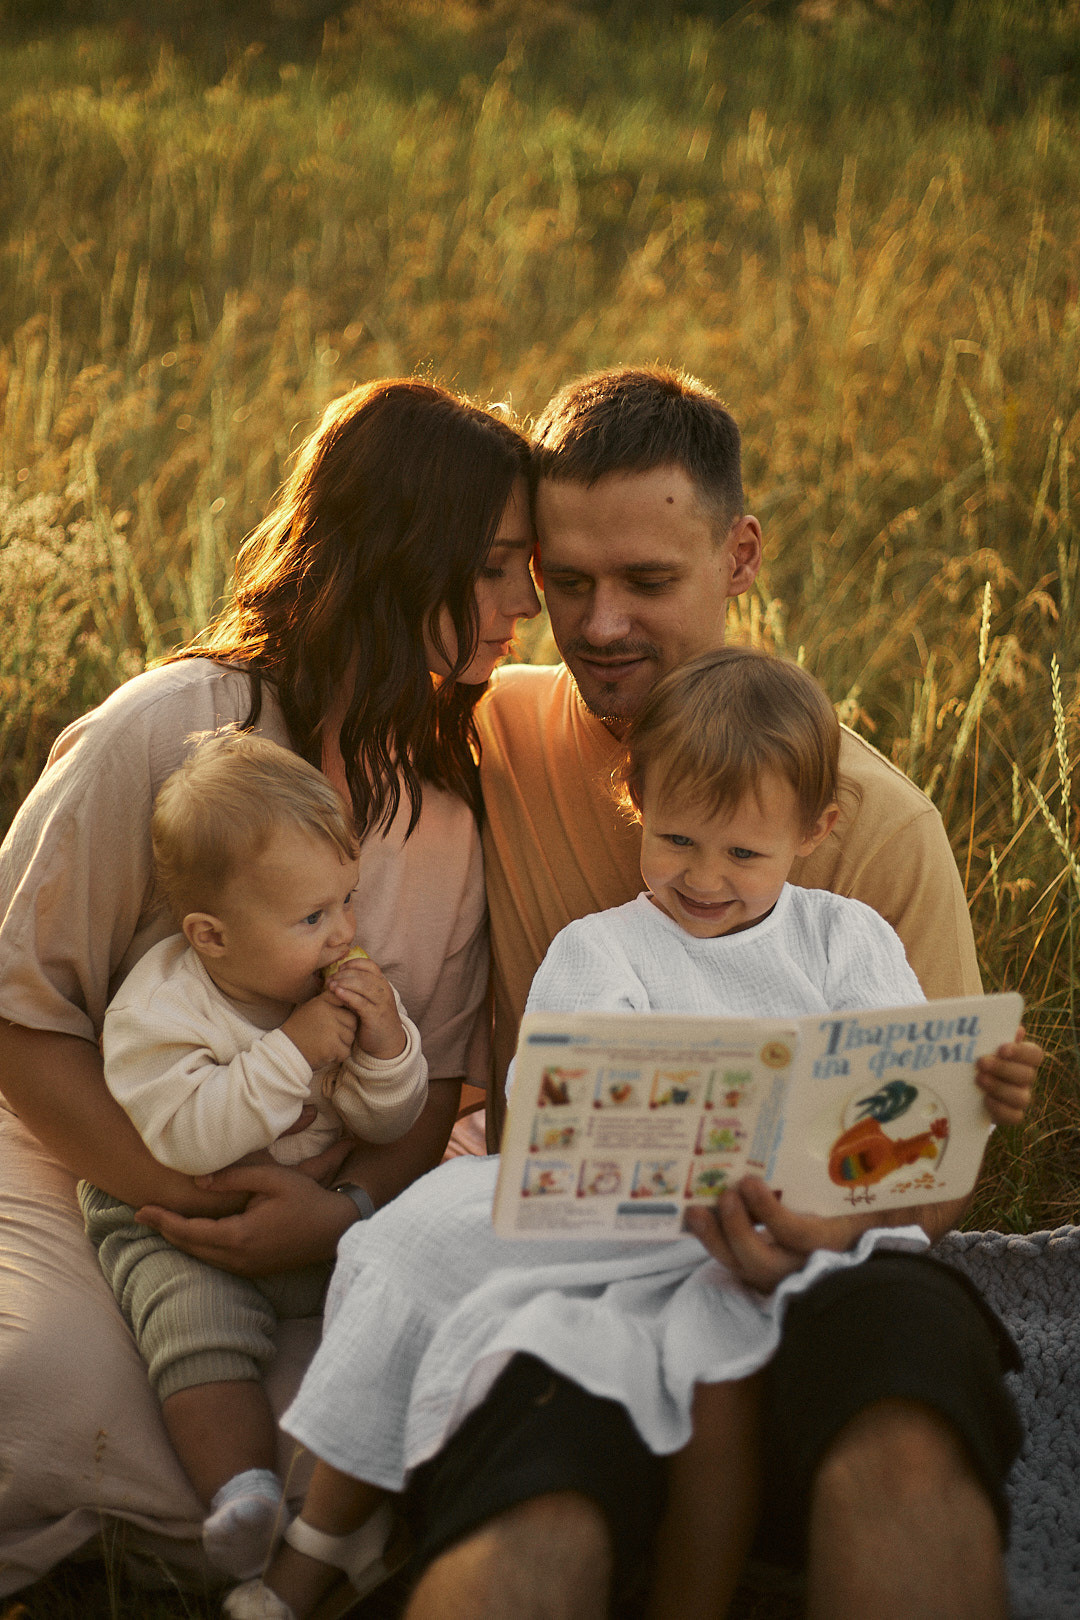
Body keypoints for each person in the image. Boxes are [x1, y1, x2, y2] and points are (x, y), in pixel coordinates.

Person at [225, 648, 1039, 1620]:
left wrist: (972, 1090)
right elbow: (556, 1095)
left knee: (722, 1370)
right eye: (678, 840)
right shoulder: (603, 946)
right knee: (412, 1241)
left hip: (794, 1229)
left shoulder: (843, 937)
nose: (705, 877)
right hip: (627, 1225)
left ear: (814, 831)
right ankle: (335, 1520)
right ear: (637, 799)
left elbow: (893, 1079)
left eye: (744, 855)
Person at [411, 367, 1032, 1620]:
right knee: (537, 1498)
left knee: (904, 1421)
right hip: (587, 1267)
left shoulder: (874, 829)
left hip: (822, 1268)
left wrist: (828, 1230)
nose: (599, 625)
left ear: (738, 555)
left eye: (647, 580)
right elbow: (320, 701)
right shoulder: (493, 732)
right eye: (566, 582)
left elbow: (931, 1160)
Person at [0, 378, 540, 1595]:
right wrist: (180, 1198)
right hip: (91, 1161)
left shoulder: (452, 805)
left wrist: (335, 1214)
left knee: (359, 1435)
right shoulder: (169, 731)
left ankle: (229, 1531)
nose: (527, 602)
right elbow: (21, 1018)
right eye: (494, 566)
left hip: (311, 1197)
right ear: (401, 552)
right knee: (44, 1393)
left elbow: (435, 1084)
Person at [81, 730, 429, 1579]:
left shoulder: (322, 992)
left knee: (399, 1280)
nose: (343, 933)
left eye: (346, 901)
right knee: (194, 1325)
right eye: (313, 918)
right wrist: (294, 1052)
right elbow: (186, 1136)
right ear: (212, 936)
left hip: (312, 1219)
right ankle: (241, 1490)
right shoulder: (159, 1010)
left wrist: (386, 1047)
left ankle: (372, 1485)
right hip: (181, 1224)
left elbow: (386, 1123)